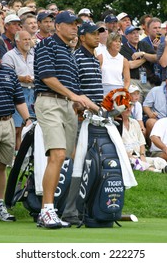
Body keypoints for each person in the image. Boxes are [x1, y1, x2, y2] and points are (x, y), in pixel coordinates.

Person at [34, 11, 100, 229]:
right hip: (49, 101)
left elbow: (74, 87)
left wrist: (82, 102)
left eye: (76, 24)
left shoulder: (70, 51)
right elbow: (46, 76)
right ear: (58, 26)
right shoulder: (47, 45)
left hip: (67, 106)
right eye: (71, 24)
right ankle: (46, 210)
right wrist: (74, 96)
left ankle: (51, 209)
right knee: (58, 154)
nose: (75, 28)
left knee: (66, 157)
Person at [61, 21, 105, 225]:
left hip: (96, 120)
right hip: (80, 120)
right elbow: (73, 92)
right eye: (94, 33)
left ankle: (85, 208)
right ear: (83, 37)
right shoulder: (76, 58)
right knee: (76, 165)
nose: (98, 36)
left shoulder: (95, 60)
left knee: (91, 166)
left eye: (99, 33)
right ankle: (69, 210)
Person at [0, 38, 31, 222]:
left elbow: (19, 99)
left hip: (7, 122)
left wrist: (28, 120)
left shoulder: (8, 72)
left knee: (1, 166)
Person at [2, 30, 35, 151]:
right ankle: (15, 156)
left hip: (33, 92)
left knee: (30, 126)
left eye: (29, 39)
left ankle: (26, 156)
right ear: (17, 41)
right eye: (25, 39)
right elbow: (5, 76)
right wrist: (21, 78)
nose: (28, 42)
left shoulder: (34, 54)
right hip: (18, 91)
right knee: (16, 128)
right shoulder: (9, 56)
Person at [121, 105, 167, 173]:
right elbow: (154, 138)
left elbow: (142, 143)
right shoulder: (116, 125)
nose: (129, 109)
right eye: (126, 107)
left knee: (160, 161)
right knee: (134, 161)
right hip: (127, 156)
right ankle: (157, 171)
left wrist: (142, 155)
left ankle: (157, 167)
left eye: (130, 106)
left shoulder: (135, 122)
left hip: (139, 155)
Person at [120, 25, 158, 102]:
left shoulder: (143, 44)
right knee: (136, 104)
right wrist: (145, 58)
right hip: (134, 81)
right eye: (133, 33)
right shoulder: (123, 48)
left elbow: (156, 58)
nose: (136, 35)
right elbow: (131, 65)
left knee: (151, 105)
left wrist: (143, 54)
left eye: (137, 33)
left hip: (148, 81)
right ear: (126, 36)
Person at [142, 77, 167, 144]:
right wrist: (150, 114)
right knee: (150, 122)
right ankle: (151, 149)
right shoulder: (155, 90)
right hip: (157, 119)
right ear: (166, 81)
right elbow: (146, 106)